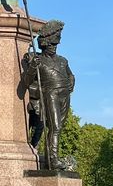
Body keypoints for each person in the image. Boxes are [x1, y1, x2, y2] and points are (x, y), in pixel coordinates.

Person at [22, 20, 75, 170]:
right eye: (51, 44)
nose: (53, 48)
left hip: (65, 94)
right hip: (50, 93)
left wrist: (72, 82)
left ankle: (49, 158)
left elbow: (71, 75)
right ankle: (53, 159)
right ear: (45, 43)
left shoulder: (63, 61)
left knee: (58, 128)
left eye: (55, 45)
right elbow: (26, 81)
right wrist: (33, 67)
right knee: (55, 127)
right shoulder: (37, 60)